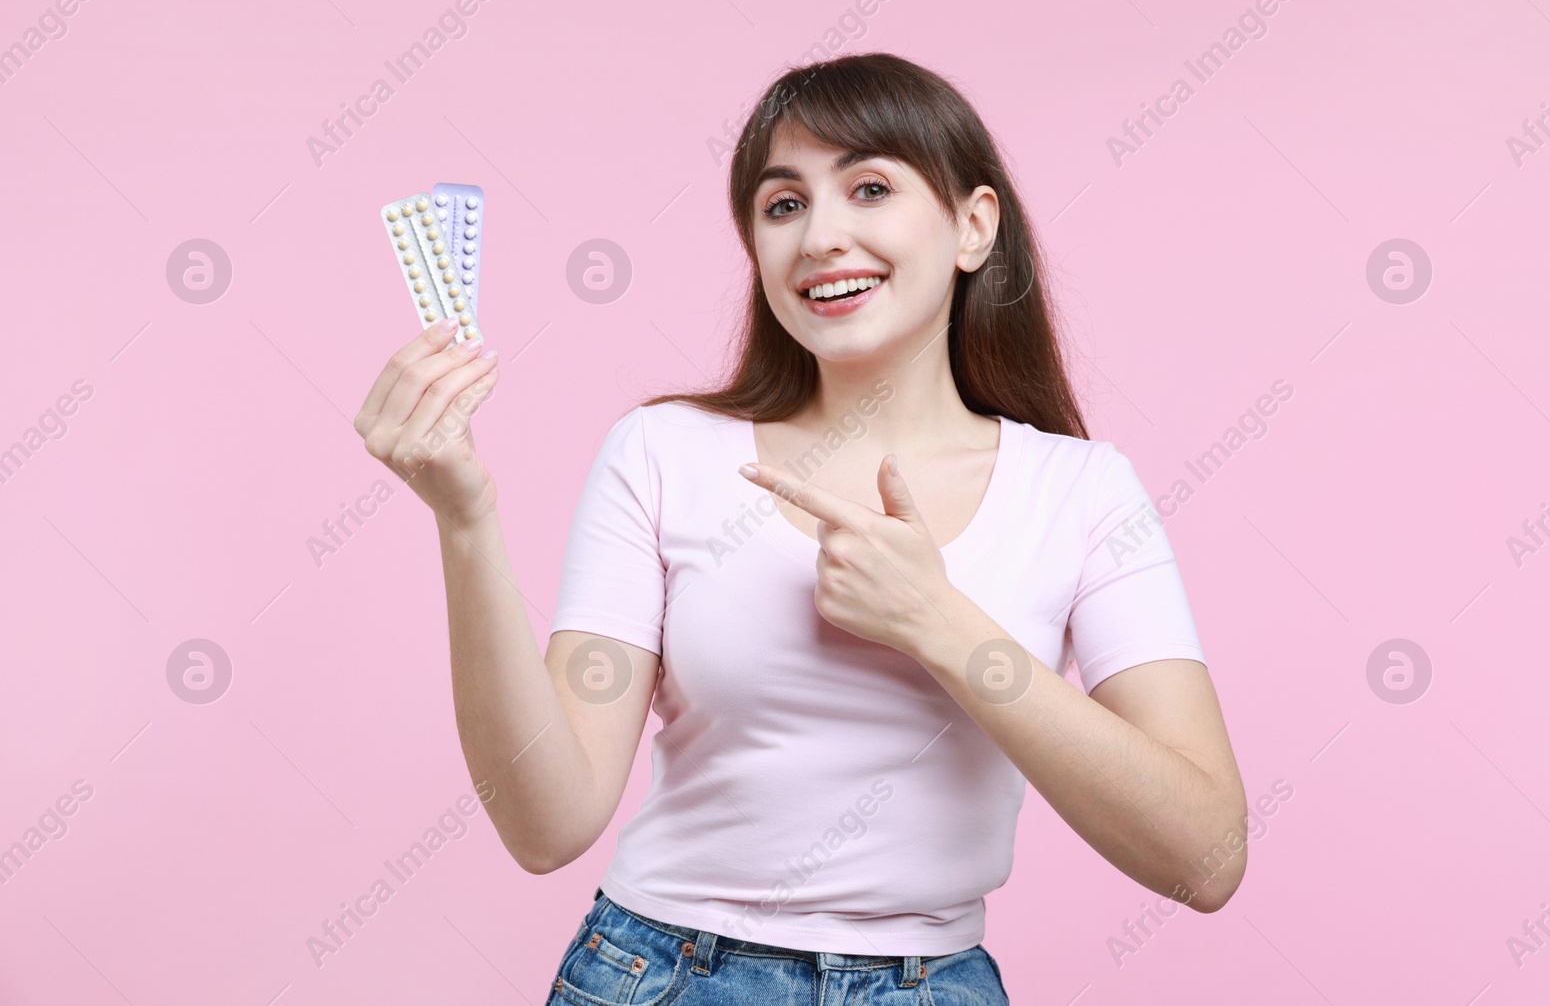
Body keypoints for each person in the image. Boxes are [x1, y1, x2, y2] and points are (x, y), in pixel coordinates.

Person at [355, 52, 1248, 1005]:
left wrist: (940, 623)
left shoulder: (1081, 492)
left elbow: (1206, 856)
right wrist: (466, 518)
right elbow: (548, 822)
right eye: (784, 205)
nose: (821, 236)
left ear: (973, 225)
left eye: (869, 187)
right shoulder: (663, 453)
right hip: (660, 974)